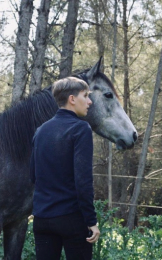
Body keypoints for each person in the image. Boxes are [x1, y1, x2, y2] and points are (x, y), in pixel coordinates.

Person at [30, 77, 100, 260]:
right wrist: (91, 221)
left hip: (42, 220)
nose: (89, 101)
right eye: (86, 96)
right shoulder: (80, 129)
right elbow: (83, 181)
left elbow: (33, 176)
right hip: (72, 219)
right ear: (72, 99)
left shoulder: (40, 131)